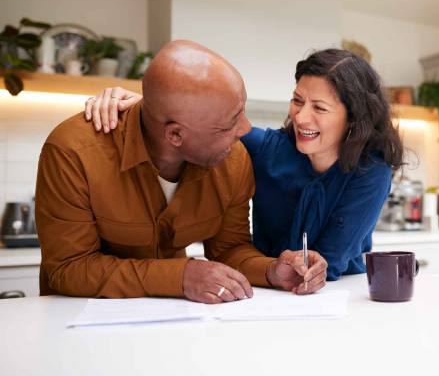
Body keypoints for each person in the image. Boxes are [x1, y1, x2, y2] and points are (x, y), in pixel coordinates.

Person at [36, 40, 327, 304]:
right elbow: (68, 268)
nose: (245, 130)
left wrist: (272, 270)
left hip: (174, 326)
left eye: (241, 111)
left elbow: (229, 249)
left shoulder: (232, 159)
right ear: (175, 135)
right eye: (228, 125)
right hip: (76, 324)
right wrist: (180, 276)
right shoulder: (73, 152)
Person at [86, 48, 403, 281]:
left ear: (354, 119)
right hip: (265, 284)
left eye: (319, 107)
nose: (301, 117)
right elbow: (200, 120)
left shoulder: (371, 172)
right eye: (297, 101)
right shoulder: (267, 150)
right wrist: (145, 105)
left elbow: (329, 261)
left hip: (337, 292)